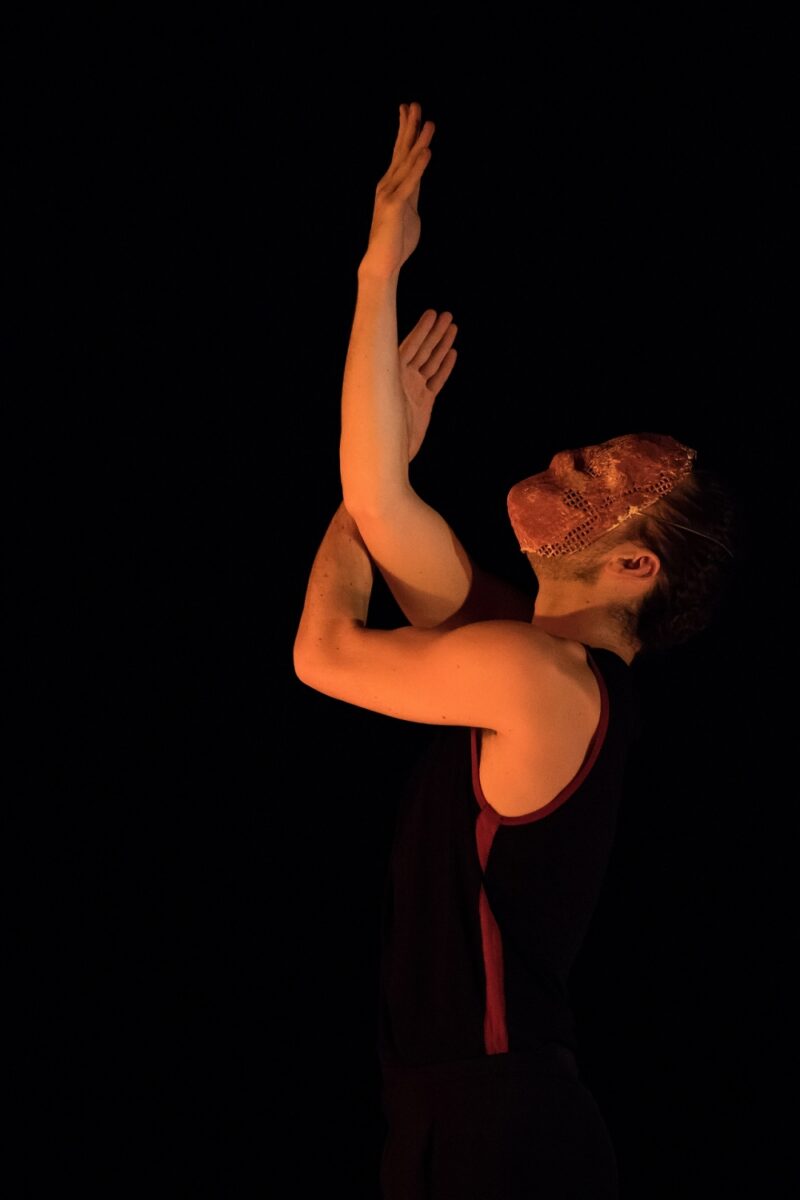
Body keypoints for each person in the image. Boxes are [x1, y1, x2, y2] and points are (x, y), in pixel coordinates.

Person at [293, 102, 738, 1199]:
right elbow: (380, 503)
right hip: (467, 1118)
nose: (564, 458)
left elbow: (324, 652)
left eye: (595, 475)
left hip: (500, 1130)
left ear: (633, 565)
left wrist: (368, 485)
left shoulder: (541, 679)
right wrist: (377, 272)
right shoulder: (522, 650)